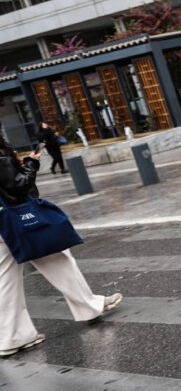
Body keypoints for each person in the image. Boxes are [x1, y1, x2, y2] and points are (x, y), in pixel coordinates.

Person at [0, 135, 122, 357]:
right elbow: (19, 186)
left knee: (6, 280)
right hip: (17, 221)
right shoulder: (0, 157)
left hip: (2, 224)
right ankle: (90, 305)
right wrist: (31, 163)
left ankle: (10, 338)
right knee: (58, 259)